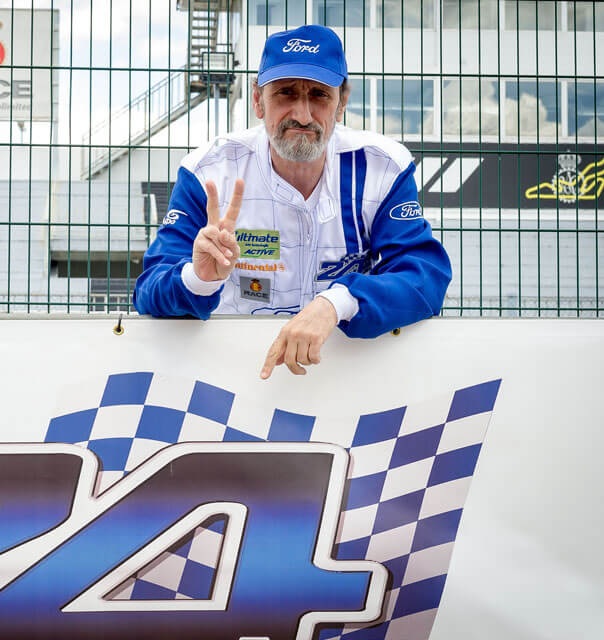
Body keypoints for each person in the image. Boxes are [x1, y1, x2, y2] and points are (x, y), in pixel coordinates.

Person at [132, 24, 451, 379]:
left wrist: (337, 302)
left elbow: (425, 275)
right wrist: (198, 279)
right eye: (286, 93)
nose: (302, 115)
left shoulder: (382, 167)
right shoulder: (208, 171)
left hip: (344, 375)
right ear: (258, 101)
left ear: (342, 104)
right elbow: (149, 289)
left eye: (319, 95)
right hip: (230, 376)